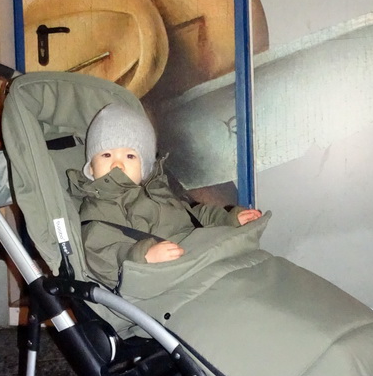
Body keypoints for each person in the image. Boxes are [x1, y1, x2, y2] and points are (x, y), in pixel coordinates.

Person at [67, 102, 262, 288]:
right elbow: (100, 252)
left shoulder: (157, 189)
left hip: (201, 258)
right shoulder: (99, 207)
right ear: (91, 168)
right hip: (166, 280)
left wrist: (228, 219)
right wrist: (144, 256)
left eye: (130, 156)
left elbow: (193, 216)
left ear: (144, 168)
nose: (117, 164)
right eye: (106, 155)